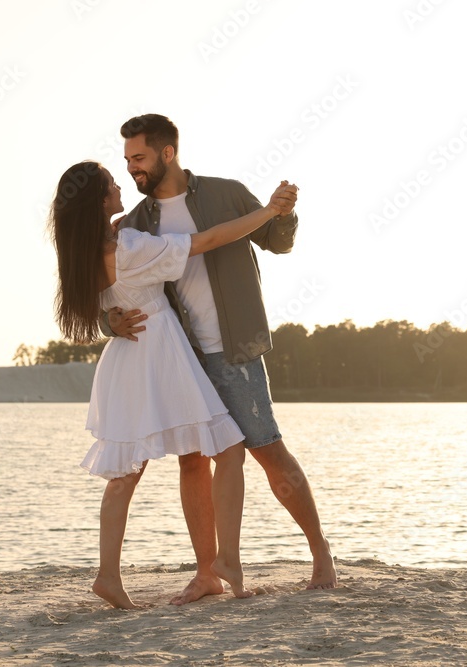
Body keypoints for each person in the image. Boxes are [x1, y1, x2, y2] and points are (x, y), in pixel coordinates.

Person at [101, 114, 337, 602]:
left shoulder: (226, 192)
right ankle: (207, 572)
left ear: (168, 153)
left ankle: (320, 552)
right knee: (192, 461)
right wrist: (110, 323)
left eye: (139, 158)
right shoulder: (139, 221)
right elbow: (114, 286)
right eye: (127, 161)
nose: (132, 169)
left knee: (266, 449)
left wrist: (284, 212)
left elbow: (277, 241)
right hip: (179, 355)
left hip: (234, 346)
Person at [49, 159, 297, 608]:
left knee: (128, 473)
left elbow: (96, 309)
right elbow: (208, 240)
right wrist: (266, 213)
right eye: (111, 182)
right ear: (100, 200)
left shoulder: (85, 251)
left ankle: (113, 575)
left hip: (129, 360)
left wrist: (109, 318)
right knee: (226, 448)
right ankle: (225, 561)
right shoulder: (128, 247)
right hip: (158, 356)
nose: (121, 183)